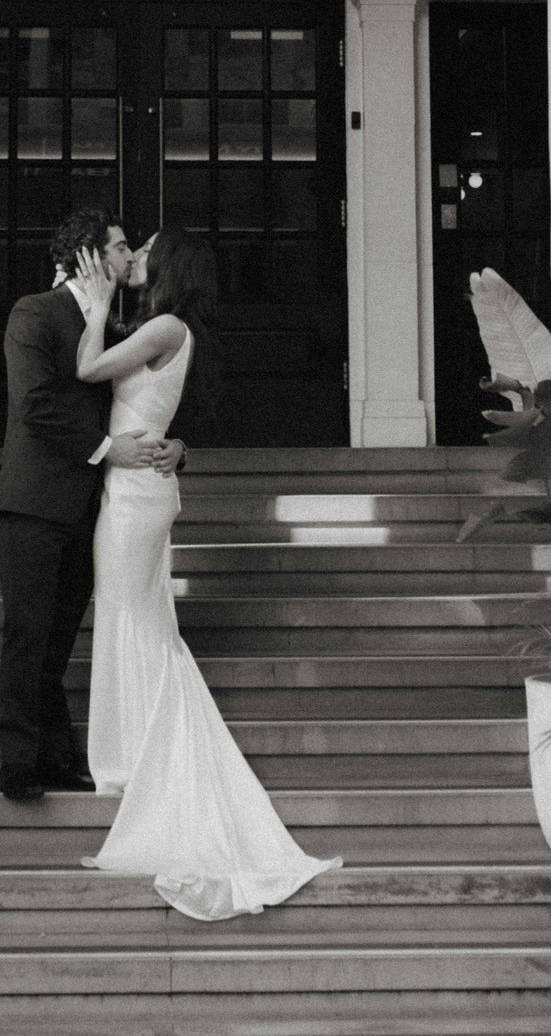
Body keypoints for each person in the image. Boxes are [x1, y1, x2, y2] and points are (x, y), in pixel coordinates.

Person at [64, 226, 340, 921]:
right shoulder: (171, 329)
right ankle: (132, 754)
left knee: (133, 620)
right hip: (142, 489)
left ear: (169, 266)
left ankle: (139, 760)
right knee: (140, 618)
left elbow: (88, 371)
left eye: (149, 248)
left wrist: (94, 311)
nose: (141, 256)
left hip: (134, 498)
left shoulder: (162, 325)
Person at [0, 209, 175, 802]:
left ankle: (57, 757)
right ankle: (18, 765)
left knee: (58, 640)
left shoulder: (113, 328)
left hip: (89, 510)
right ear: (91, 256)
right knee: (28, 635)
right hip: (31, 504)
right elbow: (36, 405)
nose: (126, 259)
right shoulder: (33, 313)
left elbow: (140, 405)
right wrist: (105, 449)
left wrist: (175, 448)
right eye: (119, 248)